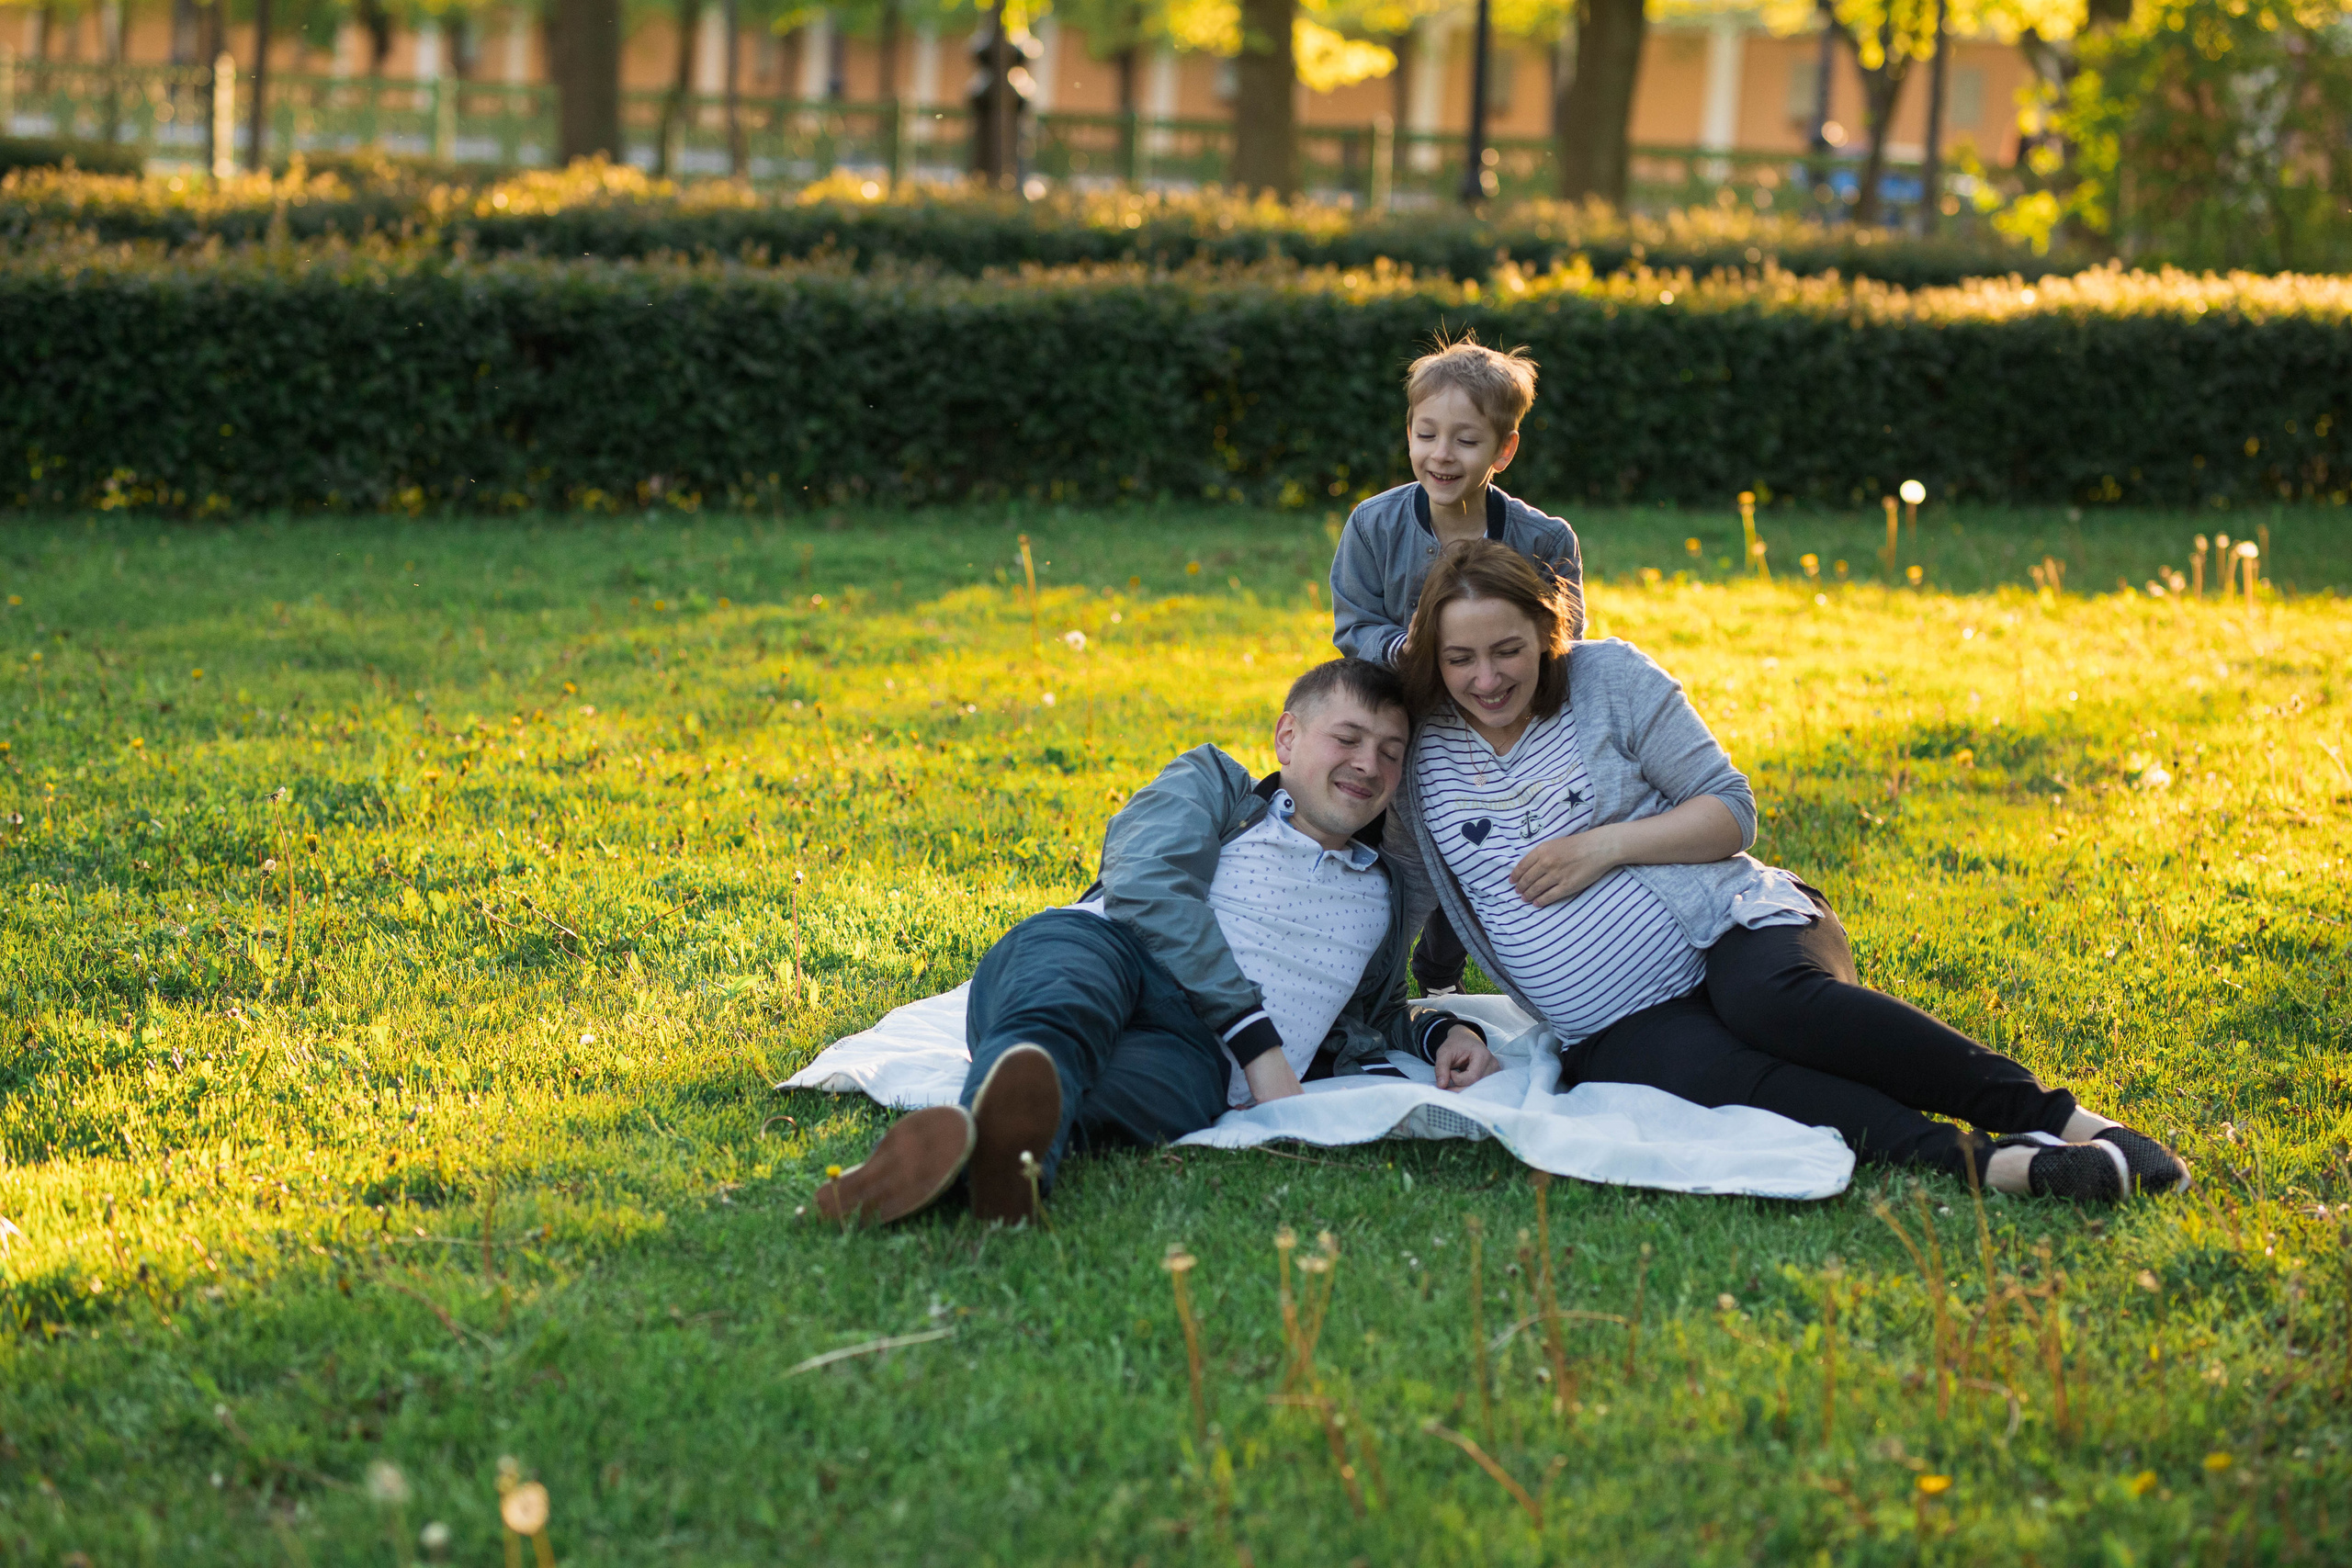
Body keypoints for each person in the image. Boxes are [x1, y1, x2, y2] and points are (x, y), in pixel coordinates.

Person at [1385, 539, 2191, 1202]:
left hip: (1733, 927)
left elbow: (1730, 809)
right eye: (1461, 659)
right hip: (1615, 1029)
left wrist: (1607, 845)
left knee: (1771, 1006)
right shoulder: (1419, 758)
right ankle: (2001, 1166)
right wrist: (1436, 1022)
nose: (1487, 678)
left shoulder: (1608, 680)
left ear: (1546, 629)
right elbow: (1399, 902)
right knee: (1733, 1075)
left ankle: (2068, 1120)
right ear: (1434, 659)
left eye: (1507, 650)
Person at [813, 658, 1505, 1229]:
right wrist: (1258, 1046)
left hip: (1195, 1053)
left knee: (1139, 1100)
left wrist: (1444, 1032)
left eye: (1391, 753)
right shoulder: (1216, 786)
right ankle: (1009, 1111)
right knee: (1061, 1008)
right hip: (1112, 951)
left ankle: (987, 1155)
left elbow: (1374, 1016)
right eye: (1347, 738)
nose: (1368, 764)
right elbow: (1146, 885)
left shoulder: (1381, 894)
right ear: (1287, 737)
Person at [1329, 333, 1585, 999]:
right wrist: (1403, 648)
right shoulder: (1374, 525)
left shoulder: (1545, 539)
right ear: (1409, 432)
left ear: (1504, 449)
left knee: (1475, 849)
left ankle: (1440, 978)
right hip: (1401, 719)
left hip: (1495, 727)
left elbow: (1566, 638)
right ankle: (1363, 970)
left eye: (1466, 440)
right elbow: (1353, 624)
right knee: (1393, 857)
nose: (1441, 454)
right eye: (1426, 434)